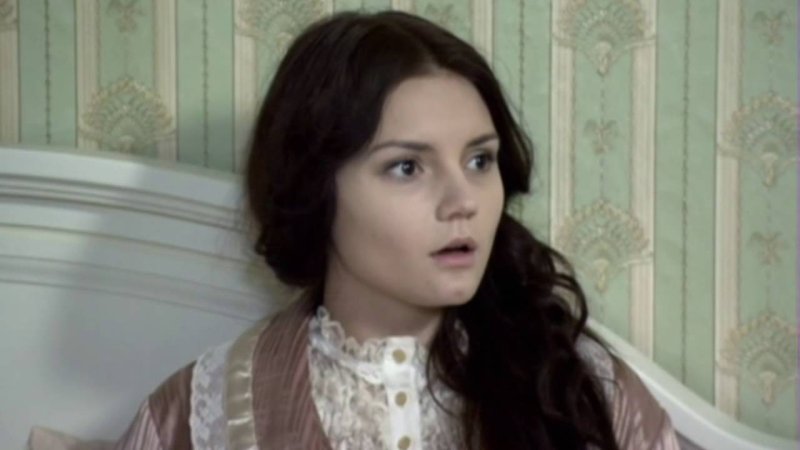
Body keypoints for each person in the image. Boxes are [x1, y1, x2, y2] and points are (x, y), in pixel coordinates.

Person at [114, 10, 679, 450]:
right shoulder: (201, 418)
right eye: (407, 167)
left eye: (480, 161)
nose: (463, 201)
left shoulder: (586, 393)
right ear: (315, 188)